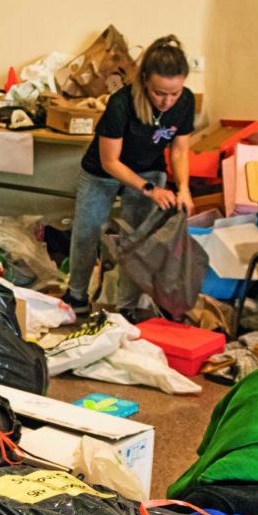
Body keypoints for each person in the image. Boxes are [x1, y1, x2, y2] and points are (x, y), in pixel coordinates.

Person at [64, 35, 195, 316]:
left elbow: (180, 150)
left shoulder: (184, 102)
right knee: (87, 232)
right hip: (102, 171)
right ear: (145, 78)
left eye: (174, 93)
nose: (167, 101)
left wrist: (183, 187)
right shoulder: (121, 103)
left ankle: (128, 307)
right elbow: (110, 161)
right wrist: (149, 189)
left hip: (149, 166)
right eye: (160, 93)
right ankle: (76, 296)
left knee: (138, 237)